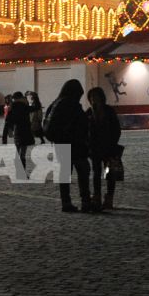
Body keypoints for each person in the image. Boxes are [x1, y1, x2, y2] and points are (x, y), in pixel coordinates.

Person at [45, 80, 93, 213]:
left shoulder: (55, 103)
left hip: (60, 144)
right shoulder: (72, 105)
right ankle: (86, 201)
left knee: (65, 174)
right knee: (83, 172)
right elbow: (82, 124)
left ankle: (66, 202)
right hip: (76, 145)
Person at [85, 85, 123, 213]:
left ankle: (109, 198)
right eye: (91, 98)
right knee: (96, 174)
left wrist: (112, 143)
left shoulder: (109, 111)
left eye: (96, 97)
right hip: (94, 149)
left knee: (110, 174)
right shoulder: (89, 113)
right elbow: (84, 132)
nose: (93, 100)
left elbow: (116, 129)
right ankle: (97, 197)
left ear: (102, 98)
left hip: (109, 148)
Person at [3, 91, 34, 170]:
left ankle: (19, 171)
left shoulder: (12, 106)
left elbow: (8, 120)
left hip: (17, 131)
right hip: (25, 131)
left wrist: (9, 131)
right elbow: (36, 107)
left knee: (18, 152)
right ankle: (22, 171)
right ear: (21, 98)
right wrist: (35, 97)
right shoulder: (24, 106)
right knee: (22, 153)